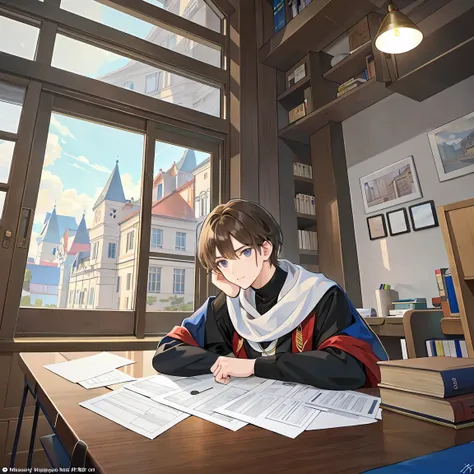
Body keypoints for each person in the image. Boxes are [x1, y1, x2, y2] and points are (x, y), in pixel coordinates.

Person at [152, 199, 388, 389]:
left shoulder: (320, 295)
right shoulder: (228, 304)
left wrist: (254, 366)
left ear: (265, 248)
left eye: (242, 253)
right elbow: (166, 353)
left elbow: (352, 368)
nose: (233, 270)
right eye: (223, 262)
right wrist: (224, 364)